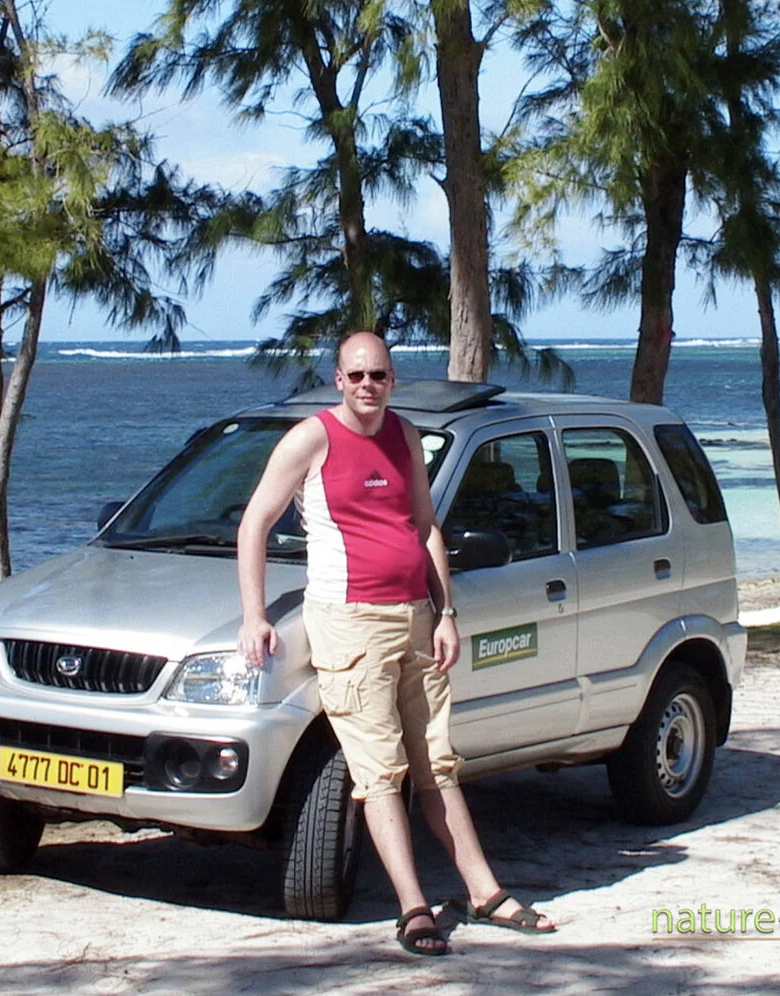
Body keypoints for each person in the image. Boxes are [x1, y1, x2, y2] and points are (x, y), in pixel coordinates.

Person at [236, 331, 555, 957]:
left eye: (378, 375)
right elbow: (255, 524)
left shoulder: (404, 435)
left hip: (415, 617)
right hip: (349, 623)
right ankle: (414, 909)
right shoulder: (310, 439)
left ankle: (485, 893)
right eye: (356, 375)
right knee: (380, 772)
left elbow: (425, 527)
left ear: (392, 380)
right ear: (338, 380)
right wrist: (254, 614)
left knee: (437, 763)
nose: (367, 385)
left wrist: (446, 612)